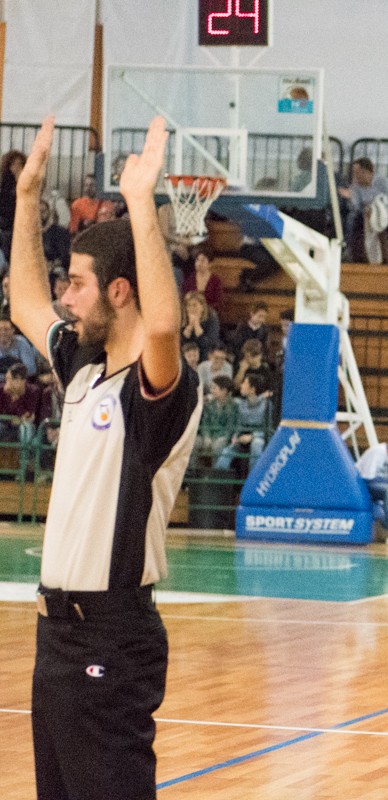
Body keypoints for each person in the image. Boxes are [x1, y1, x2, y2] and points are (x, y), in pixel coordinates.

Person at [12, 116, 201, 800]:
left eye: (78, 284)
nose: (65, 298)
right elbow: (25, 301)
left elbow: (163, 325)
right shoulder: (83, 368)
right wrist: (26, 198)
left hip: (112, 637)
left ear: (119, 291)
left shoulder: (156, 390)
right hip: (57, 639)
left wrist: (142, 204)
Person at [339, 157, 388, 263]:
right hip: (365, 214)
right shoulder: (355, 187)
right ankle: (348, 250)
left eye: (357, 173)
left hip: (384, 214)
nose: (355, 176)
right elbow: (356, 208)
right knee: (351, 218)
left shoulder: (384, 182)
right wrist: (351, 198)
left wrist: (378, 213)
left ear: (367, 172)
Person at [214, 373, 273, 473]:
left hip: (259, 436)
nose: (241, 385)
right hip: (242, 435)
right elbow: (238, 424)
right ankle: (218, 477)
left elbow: (269, 428)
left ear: (252, 389)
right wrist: (235, 436)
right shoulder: (241, 404)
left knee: (256, 444)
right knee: (226, 451)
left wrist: (252, 436)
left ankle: (254, 478)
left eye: (244, 383)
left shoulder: (266, 405)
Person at [192, 374, 237, 467]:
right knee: (195, 442)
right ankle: (193, 471)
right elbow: (205, 422)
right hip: (209, 435)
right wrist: (207, 436)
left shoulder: (233, 406)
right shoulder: (209, 405)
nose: (211, 391)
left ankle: (215, 471)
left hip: (222, 436)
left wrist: (216, 438)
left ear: (224, 390)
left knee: (217, 445)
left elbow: (230, 426)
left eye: (214, 388)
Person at [0, 361, 43, 452]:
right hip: (4, 423)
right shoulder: (1, 390)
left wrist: (15, 398)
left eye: (9, 379)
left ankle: (24, 458)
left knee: (26, 429)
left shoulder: (33, 391)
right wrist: (11, 420)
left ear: (20, 380)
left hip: (24, 424)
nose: (7, 382)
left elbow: (28, 416)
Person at [180, 291, 220, 361]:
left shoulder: (211, 318)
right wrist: (190, 326)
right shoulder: (183, 317)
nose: (191, 308)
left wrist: (196, 325)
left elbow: (208, 343)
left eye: (194, 305)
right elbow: (181, 341)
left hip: (205, 353)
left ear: (202, 307)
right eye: (188, 305)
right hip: (187, 353)